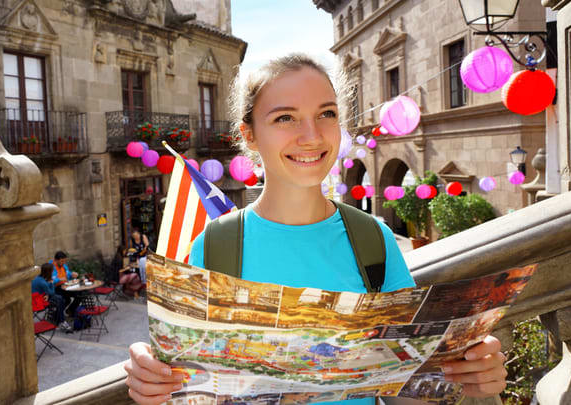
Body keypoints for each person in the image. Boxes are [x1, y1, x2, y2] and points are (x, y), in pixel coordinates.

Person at [123, 54, 508, 404]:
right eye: (285, 117)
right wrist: (155, 383)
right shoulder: (216, 246)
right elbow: (197, 391)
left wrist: (465, 372)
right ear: (249, 134)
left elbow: (405, 390)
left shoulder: (373, 240)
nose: (312, 135)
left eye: (326, 113)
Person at [31, 263, 72, 332]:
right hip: (38, 301)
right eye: (52, 271)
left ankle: (58, 318)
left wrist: (48, 291)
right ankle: (61, 321)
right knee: (59, 299)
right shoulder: (42, 282)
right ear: (49, 272)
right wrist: (52, 283)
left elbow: (47, 291)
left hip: (39, 297)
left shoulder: (39, 278)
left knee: (60, 298)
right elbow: (52, 293)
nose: (53, 272)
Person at [49, 251, 80, 316]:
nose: (63, 263)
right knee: (66, 299)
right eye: (62, 261)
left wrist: (72, 274)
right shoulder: (51, 267)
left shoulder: (64, 266)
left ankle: (70, 311)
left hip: (65, 286)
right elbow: (51, 280)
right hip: (55, 288)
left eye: (64, 261)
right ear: (55, 260)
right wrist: (60, 279)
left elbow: (68, 273)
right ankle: (56, 315)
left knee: (79, 294)